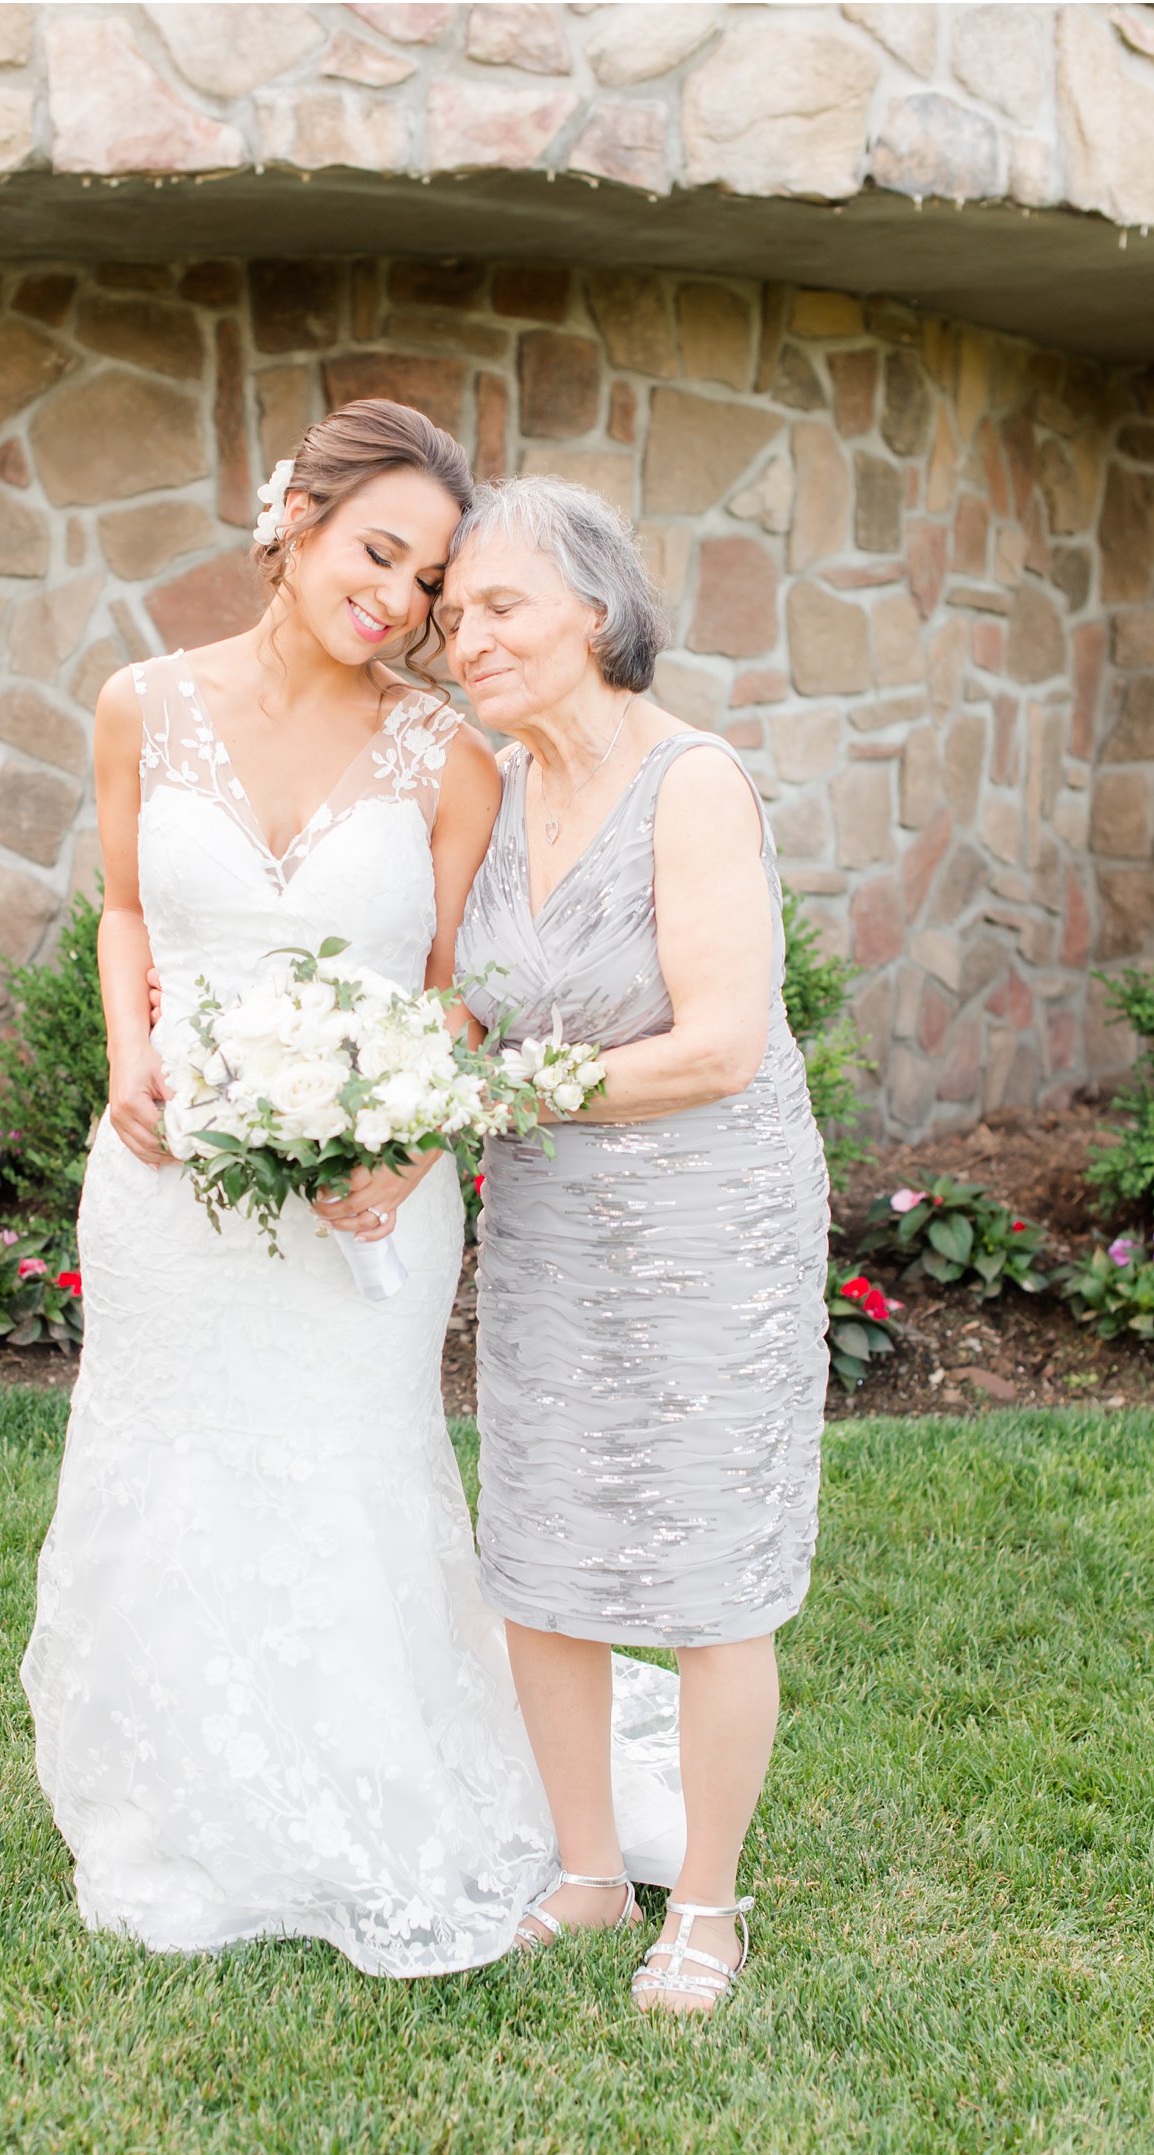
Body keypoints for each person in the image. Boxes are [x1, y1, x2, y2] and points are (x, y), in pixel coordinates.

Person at [20, 406, 683, 1979]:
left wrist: (402, 1138)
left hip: (371, 1193)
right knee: (169, 1464)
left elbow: (461, 986)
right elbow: (124, 907)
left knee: (343, 1469)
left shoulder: (448, 754)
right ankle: (184, 1800)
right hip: (167, 1182)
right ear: (295, 522)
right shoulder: (140, 705)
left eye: (431, 582)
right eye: (376, 551)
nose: (396, 600)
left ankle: (373, 1785)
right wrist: (132, 1058)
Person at [444, 477, 829, 2014]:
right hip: (547, 1217)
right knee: (541, 1547)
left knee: (708, 1563)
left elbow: (721, 1046)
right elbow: (468, 993)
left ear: (594, 613)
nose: (466, 637)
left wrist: (490, 1089)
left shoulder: (693, 784)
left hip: (706, 1217)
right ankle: (590, 1873)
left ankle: (711, 1905)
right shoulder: (493, 785)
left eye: (500, 607)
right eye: (455, 615)